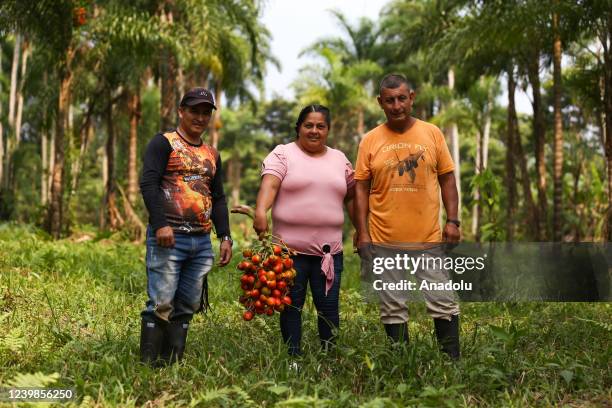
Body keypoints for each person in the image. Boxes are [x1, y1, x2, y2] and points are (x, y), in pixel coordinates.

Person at [354, 74, 462, 359]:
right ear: (380, 103)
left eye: (402, 98)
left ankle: (452, 363)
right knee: (392, 306)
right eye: (390, 100)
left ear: (412, 97)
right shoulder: (370, 140)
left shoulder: (432, 133)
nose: (397, 105)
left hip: (428, 239)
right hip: (384, 239)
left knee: (442, 301)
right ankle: (400, 364)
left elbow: (448, 180)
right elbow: (361, 189)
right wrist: (362, 233)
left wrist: (453, 221)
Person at [139, 87, 233, 365]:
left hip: (201, 241)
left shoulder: (212, 154)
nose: (200, 117)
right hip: (169, 238)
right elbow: (148, 184)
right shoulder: (163, 143)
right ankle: (148, 366)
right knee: (161, 302)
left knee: (188, 304)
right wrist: (160, 225)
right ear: (181, 111)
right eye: (194, 110)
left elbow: (218, 197)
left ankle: (172, 363)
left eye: (206, 112)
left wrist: (225, 236)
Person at [253, 104, 355, 356]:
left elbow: (352, 198)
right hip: (288, 254)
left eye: (321, 126)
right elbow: (271, 185)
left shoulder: (339, 159)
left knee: (329, 308)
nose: (314, 130)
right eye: (308, 125)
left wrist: (362, 229)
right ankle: (293, 359)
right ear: (298, 127)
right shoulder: (283, 154)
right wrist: (260, 211)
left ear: (328, 130)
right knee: (291, 307)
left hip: (329, 254)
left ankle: (330, 358)